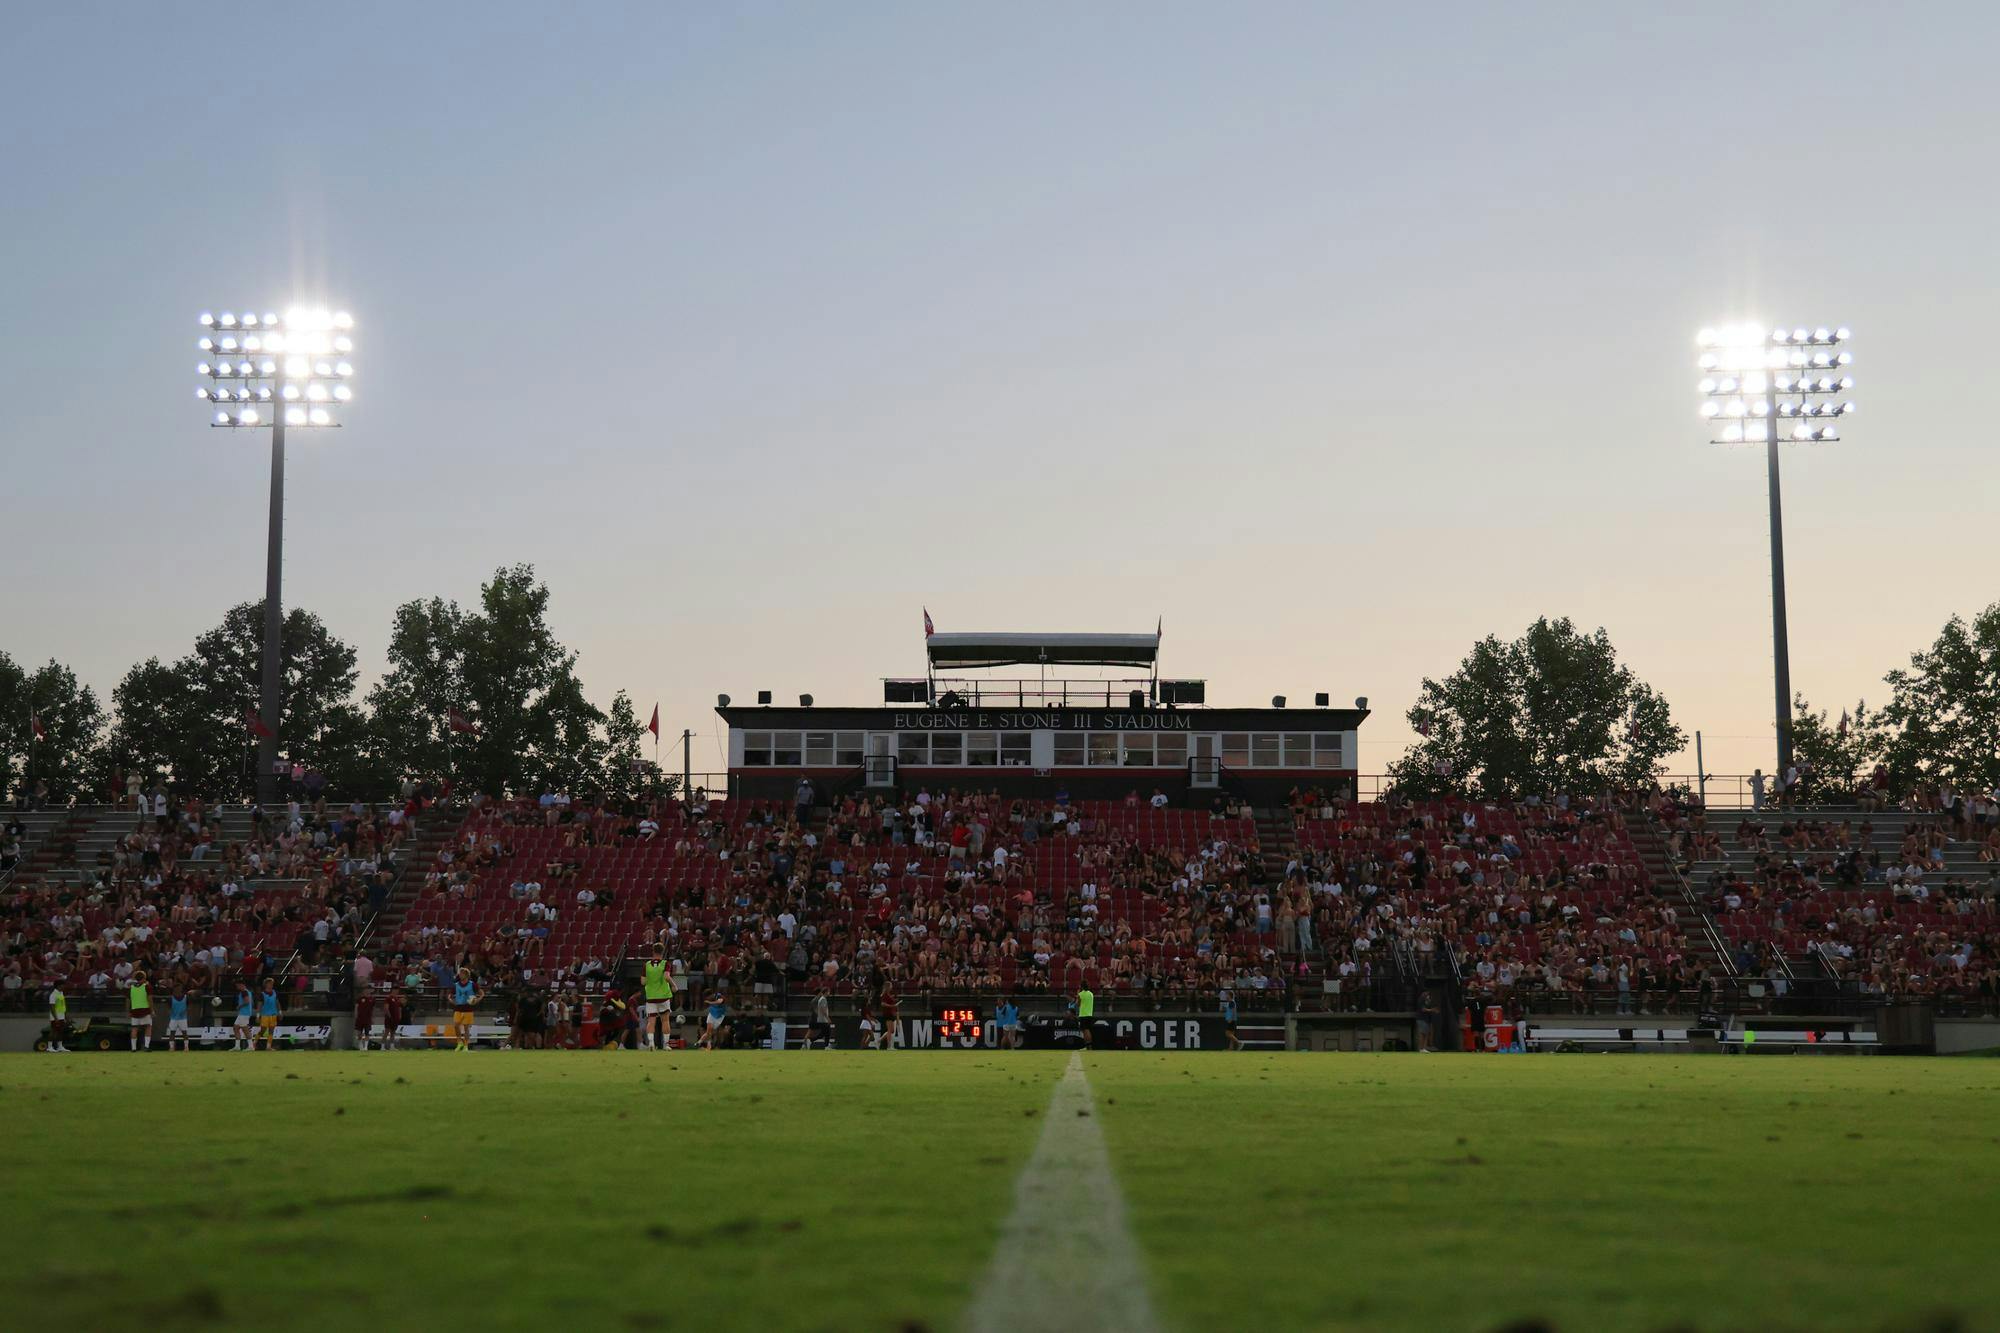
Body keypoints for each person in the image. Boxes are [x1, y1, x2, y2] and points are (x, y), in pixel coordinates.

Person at [641, 945, 675, 1051]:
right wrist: (674, 985)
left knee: (651, 1021)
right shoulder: (665, 964)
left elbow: (643, 982)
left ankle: (651, 1043)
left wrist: (652, 981)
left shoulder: (646, 965)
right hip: (663, 997)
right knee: (665, 1021)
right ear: (662, 952)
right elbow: (666, 976)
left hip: (651, 997)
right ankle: (666, 1045)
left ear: (653, 951)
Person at [451, 968, 480, 1051]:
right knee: (456, 1025)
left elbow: (481, 993)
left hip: (468, 1008)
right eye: (459, 974)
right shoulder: (456, 985)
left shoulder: (473, 984)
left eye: (462, 974)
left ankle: (466, 1045)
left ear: (467, 975)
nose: (460, 975)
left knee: (466, 1027)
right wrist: (452, 1001)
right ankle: (459, 1042)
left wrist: (476, 1001)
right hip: (458, 1008)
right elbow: (450, 995)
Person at [128, 968, 154, 1051]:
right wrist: (152, 1010)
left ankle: (133, 1048)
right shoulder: (146, 987)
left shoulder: (131, 987)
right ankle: (146, 1046)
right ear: (144, 978)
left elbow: (128, 1000)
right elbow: (150, 999)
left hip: (134, 1010)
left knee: (134, 1028)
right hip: (145, 1010)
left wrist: (128, 1011)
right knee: (148, 1027)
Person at [257, 976, 282, 1050]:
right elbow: (259, 1005)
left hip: (273, 1014)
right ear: (266, 984)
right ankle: (254, 1044)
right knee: (262, 1031)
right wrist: (258, 1016)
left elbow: (277, 1003)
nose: (271, 985)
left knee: (271, 1031)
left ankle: (268, 1046)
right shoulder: (262, 994)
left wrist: (280, 1012)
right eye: (270, 983)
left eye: (272, 983)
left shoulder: (275, 992)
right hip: (265, 1015)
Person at [165, 986, 192, 1052]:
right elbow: (168, 1008)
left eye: (179, 989)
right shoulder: (171, 999)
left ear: (181, 990)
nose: (177, 991)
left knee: (184, 1033)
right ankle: (171, 1047)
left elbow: (189, 1007)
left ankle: (186, 1047)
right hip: (173, 1018)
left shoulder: (186, 998)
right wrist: (170, 1012)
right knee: (172, 1033)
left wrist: (184, 1012)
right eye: (176, 990)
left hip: (183, 1018)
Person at [46, 982, 68, 1052]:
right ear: (58, 986)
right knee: (53, 1031)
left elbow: (63, 1005)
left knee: (60, 1031)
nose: (64, 987)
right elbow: (52, 1007)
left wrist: (65, 1016)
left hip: (61, 1015)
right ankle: (49, 1047)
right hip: (55, 1016)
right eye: (62, 985)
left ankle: (60, 1047)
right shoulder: (53, 995)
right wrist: (55, 1018)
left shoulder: (61, 993)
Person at [233, 983, 254, 1051]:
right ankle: (237, 1046)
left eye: (237, 986)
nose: (237, 988)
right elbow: (251, 1002)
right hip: (244, 1013)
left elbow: (247, 1001)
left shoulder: (244, 992)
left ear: (241, 985)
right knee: (236, 1027)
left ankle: (251, 1046)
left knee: (245, 1029)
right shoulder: (248, 992)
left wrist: (239, 1006)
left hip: (244, 1013)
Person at [354, 986, 376, 1051]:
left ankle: (366, 1047)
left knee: (367, 1033)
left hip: (368, 1019)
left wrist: (372, 1018)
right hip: (360, 1018)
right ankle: (360, 1046)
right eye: (366, 989)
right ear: (364, 991)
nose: (367, 991)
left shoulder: (372, 999)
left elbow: (373, 1009)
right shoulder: (360, 999)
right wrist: (356, 1015)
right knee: (359, 1033)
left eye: (368, 990)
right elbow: (356, 1007)